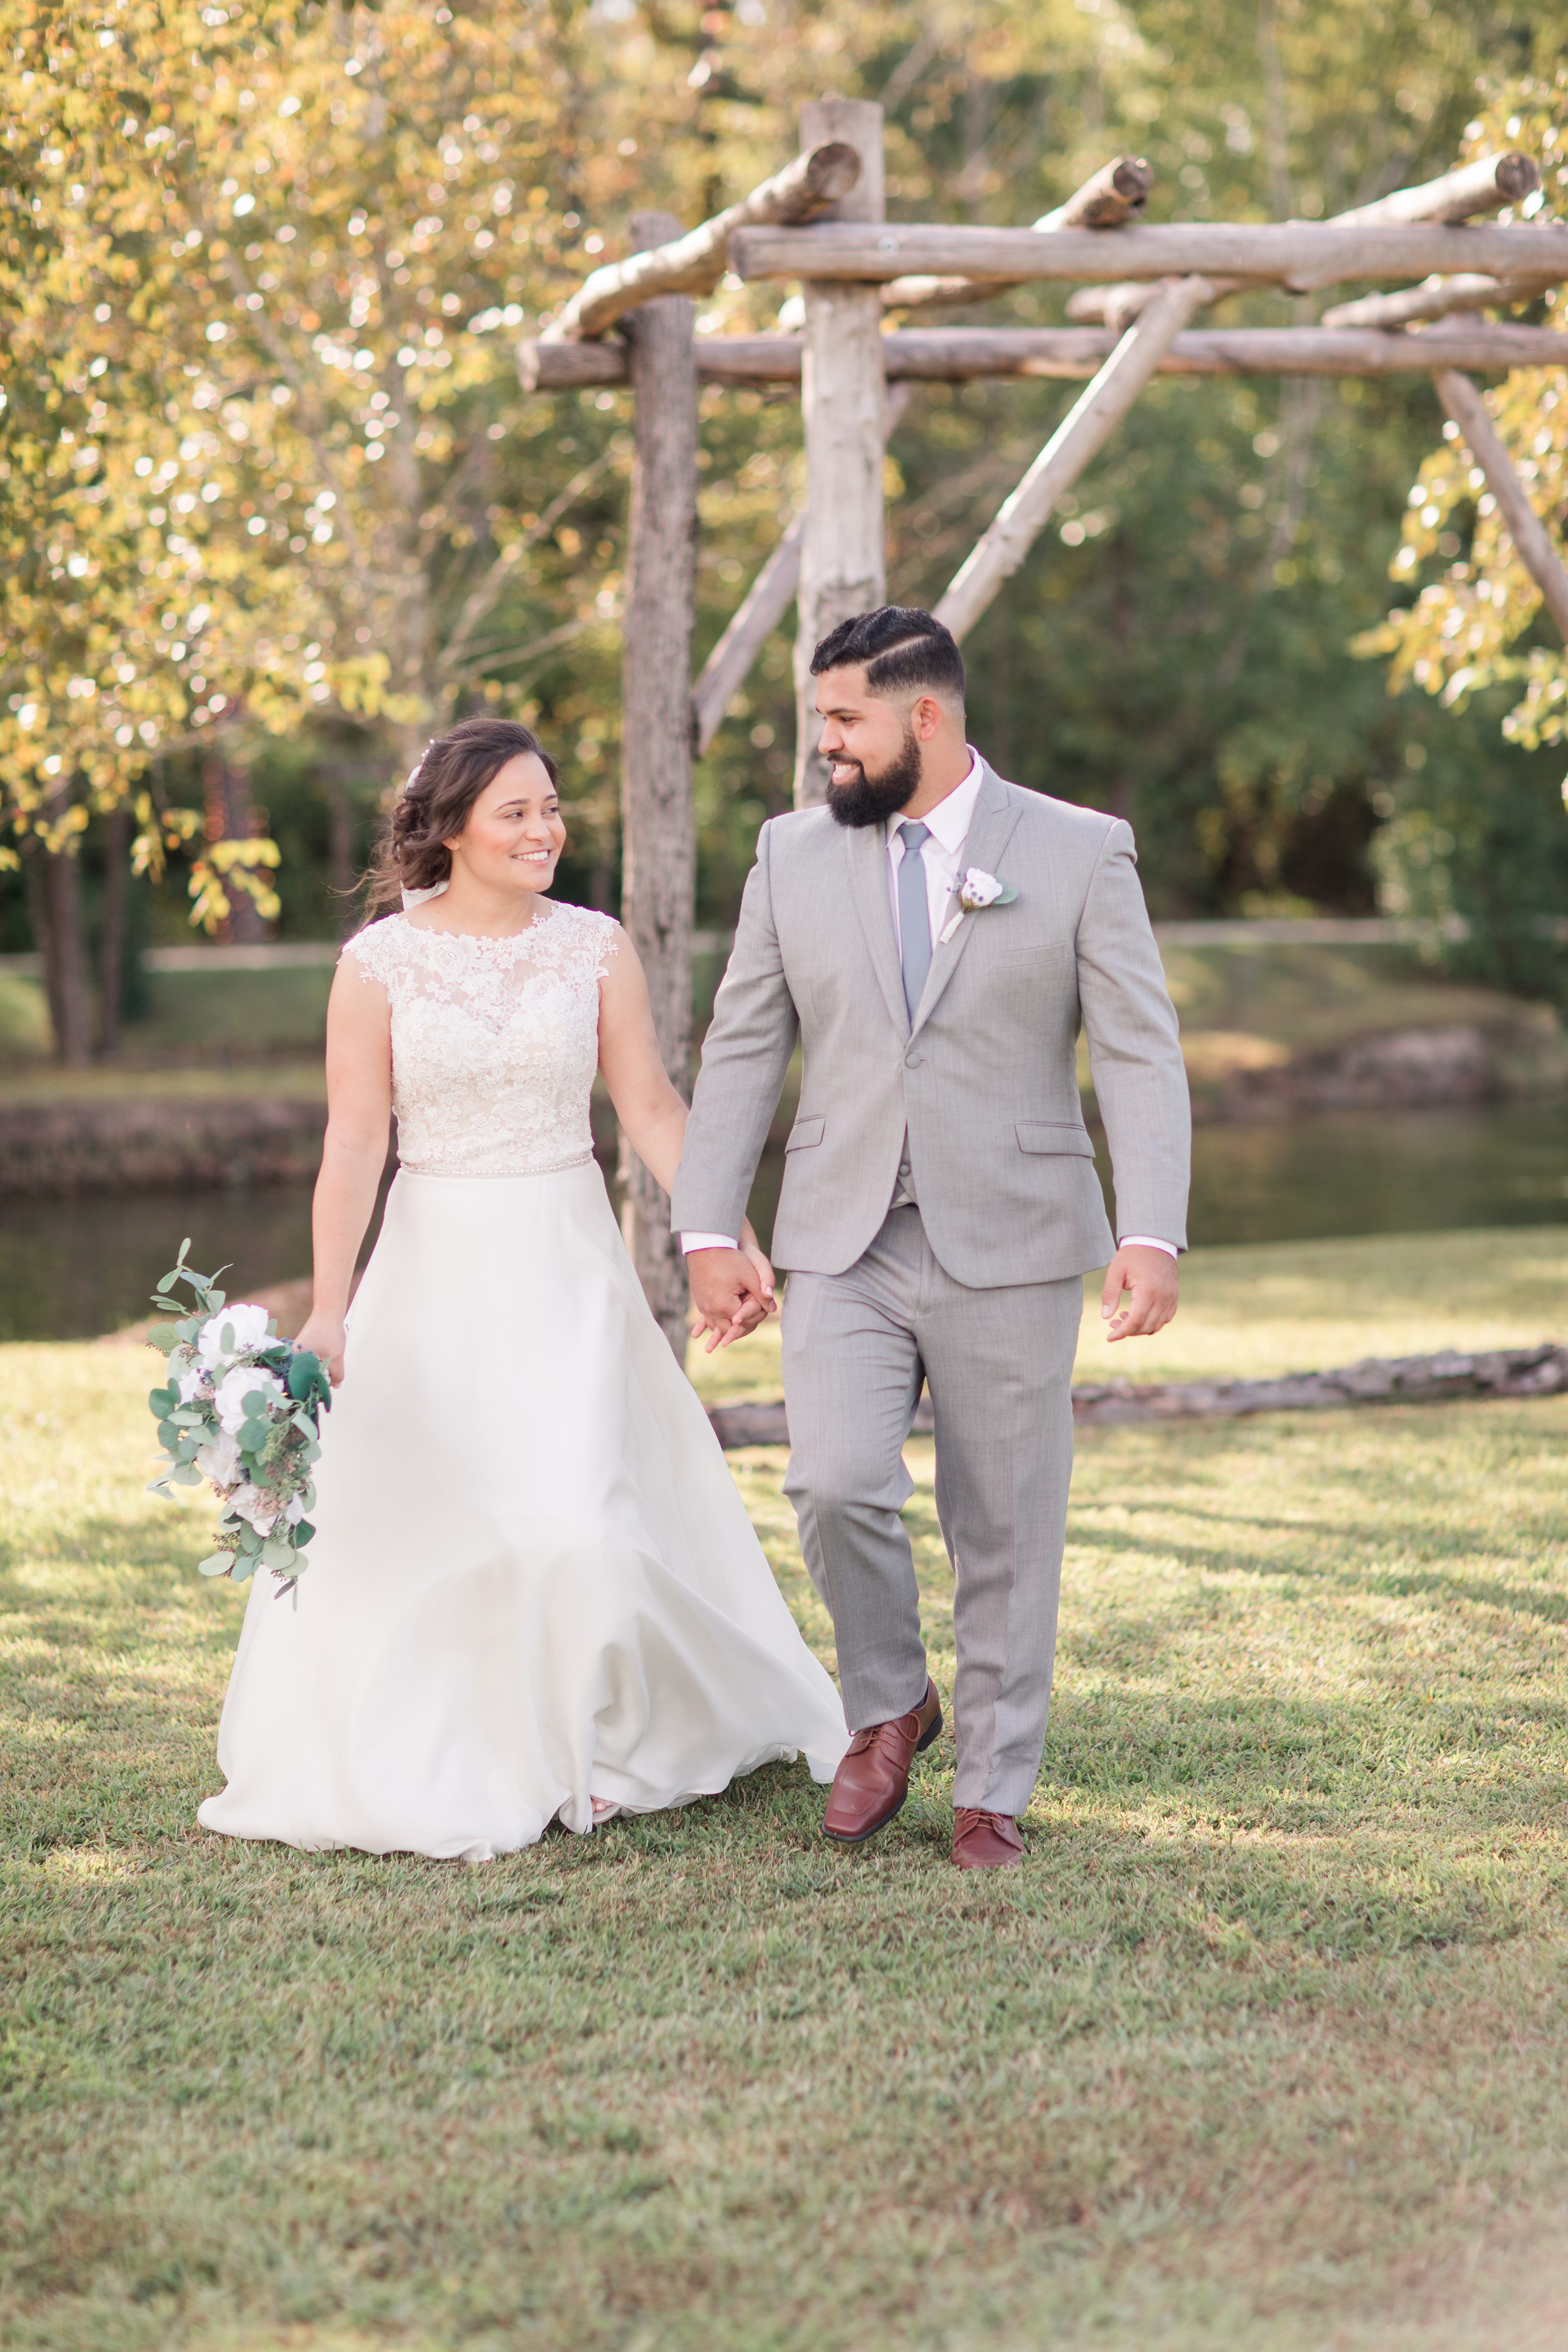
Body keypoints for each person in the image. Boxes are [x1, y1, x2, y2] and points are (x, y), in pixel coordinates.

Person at [198, 716, 847, 1862]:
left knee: (579, 1518)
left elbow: (648, 1106)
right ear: (449, 828)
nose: (545, 829)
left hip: (566, 1266)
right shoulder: (377, 966)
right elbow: (354, 1145)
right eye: (518, 811)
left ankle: (591, 1752)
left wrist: (722, 1233)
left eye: (551, 808)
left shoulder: (593, 947)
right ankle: (489, 1746)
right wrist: (333, 1310)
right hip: (434, 1270)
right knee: (445, 1526)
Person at [672, 607, 1190, 1871]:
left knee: (1005, 1521)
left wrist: (1152, 1229)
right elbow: (744, 1042)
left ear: (925, 718)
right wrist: (703, 1225)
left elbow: (1134, 1045)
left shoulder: (1077, 850)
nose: (827, 750)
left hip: (1011, 1234)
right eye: (821, 725)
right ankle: (893, 1703)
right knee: (833, 1482)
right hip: (840, 1235)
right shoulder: (791, 855)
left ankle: (992, 1793)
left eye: (845, 723)